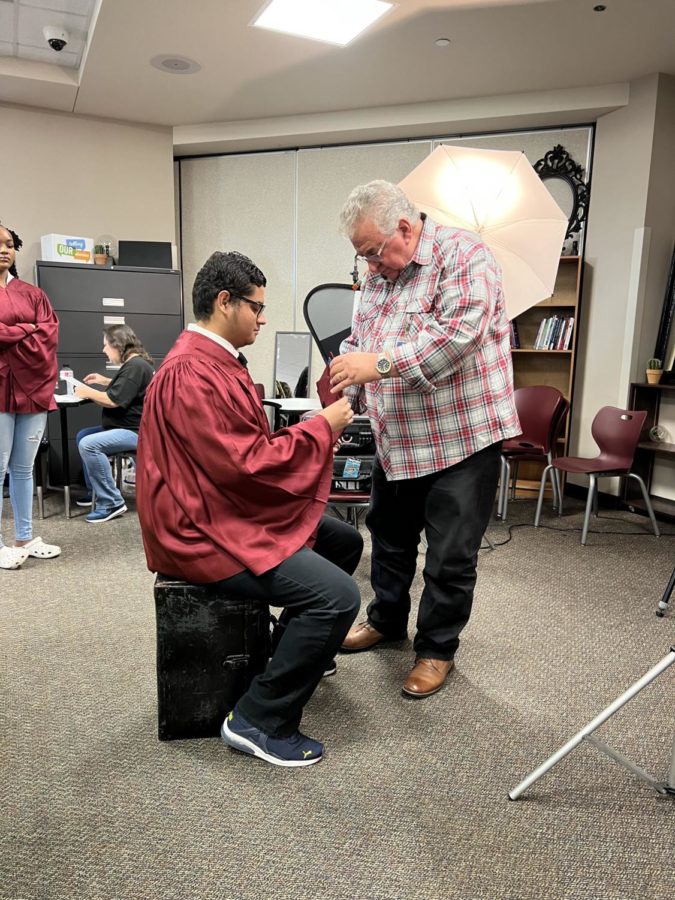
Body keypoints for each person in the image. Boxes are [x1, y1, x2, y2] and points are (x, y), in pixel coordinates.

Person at [136, 250, 361, 768]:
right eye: (257, 308)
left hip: (218, 505)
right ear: (224, 301)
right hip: (200, 528)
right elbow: (245, 465)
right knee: (337, 597)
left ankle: (290, 653)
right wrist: (320, 428)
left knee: (345, 542)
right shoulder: (191, 373)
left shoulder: (212, 361)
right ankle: (258, 719)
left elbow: (236, 454)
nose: (262, 318)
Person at [330, 180, 520, 698]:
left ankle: (436, 649)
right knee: (389, 539)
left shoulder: (465, 255)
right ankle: (387, 620)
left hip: (461, 438)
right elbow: (360, 339)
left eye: (373, 252)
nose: (371, 266)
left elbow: (458, 337)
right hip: (398, 439)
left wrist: (381, 363)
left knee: (450, 555)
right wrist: (348, 370)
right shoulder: (377, 280)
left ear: (406, 228)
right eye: (362, 257)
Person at [0, 223, 61, 570]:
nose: (5, 250)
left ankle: (25, 537)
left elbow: (48, 336)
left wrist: (10, 336)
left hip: (33, 387)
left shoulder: (33, 294)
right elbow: (34, 333)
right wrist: (27, 329)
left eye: (9, 244)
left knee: (23, 468)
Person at [73, 324, 153, 523]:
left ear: (118, 345)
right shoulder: (135, 364)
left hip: (135, 431)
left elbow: (113, 400)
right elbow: (127, 388)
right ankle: (96, 491)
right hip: (125, 427)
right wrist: (104, 381)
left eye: (106, 346)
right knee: (83, 435)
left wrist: (85, 391)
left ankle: (111, 501)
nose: (103, 350)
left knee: (88, 444)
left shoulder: (135, 366)